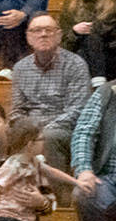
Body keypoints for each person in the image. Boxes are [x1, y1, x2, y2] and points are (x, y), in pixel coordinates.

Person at [9, 12, 91, 170]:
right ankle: (12, 190)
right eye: (37, 30)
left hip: (63, 130)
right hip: (31, 130)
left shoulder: (76, 64)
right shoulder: (20, 68)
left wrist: (42, 131)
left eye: (49, 30)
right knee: (2, 132)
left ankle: (57, 193)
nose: (43, 34)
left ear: (59, 35)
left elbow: (77, 110)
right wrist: (29, 131)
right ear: (28, 37)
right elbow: (17, 110)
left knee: (50, 137)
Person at [71, 77, 116, 221]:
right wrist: (84, 170)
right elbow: (84, 132)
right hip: (109, 180)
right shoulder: (106, 93)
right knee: (84, 193)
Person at [60, 0, 116, 81]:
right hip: (79, 56)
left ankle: (98, 81)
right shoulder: (69, 3)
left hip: (109, 56)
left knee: (90, 38)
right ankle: (97, 81)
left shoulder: (113, 2)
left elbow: (98, 31)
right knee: (80, 51)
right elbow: (64, 41)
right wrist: (74, 32)